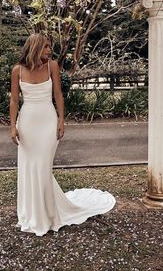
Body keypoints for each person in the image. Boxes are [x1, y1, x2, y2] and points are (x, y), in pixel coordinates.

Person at [10, 33, 116, 237]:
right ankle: (33, 213)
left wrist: (61, 120)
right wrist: (12, 127)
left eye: (50, 47)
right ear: (35, 48)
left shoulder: (52, 66)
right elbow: (14, 101)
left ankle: (48, 215)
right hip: (27, 123)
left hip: (48, 121)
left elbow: (58, 94)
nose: (50, 51)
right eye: (46, 47)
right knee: (30, 167)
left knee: (42, 166)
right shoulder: (17, 70)